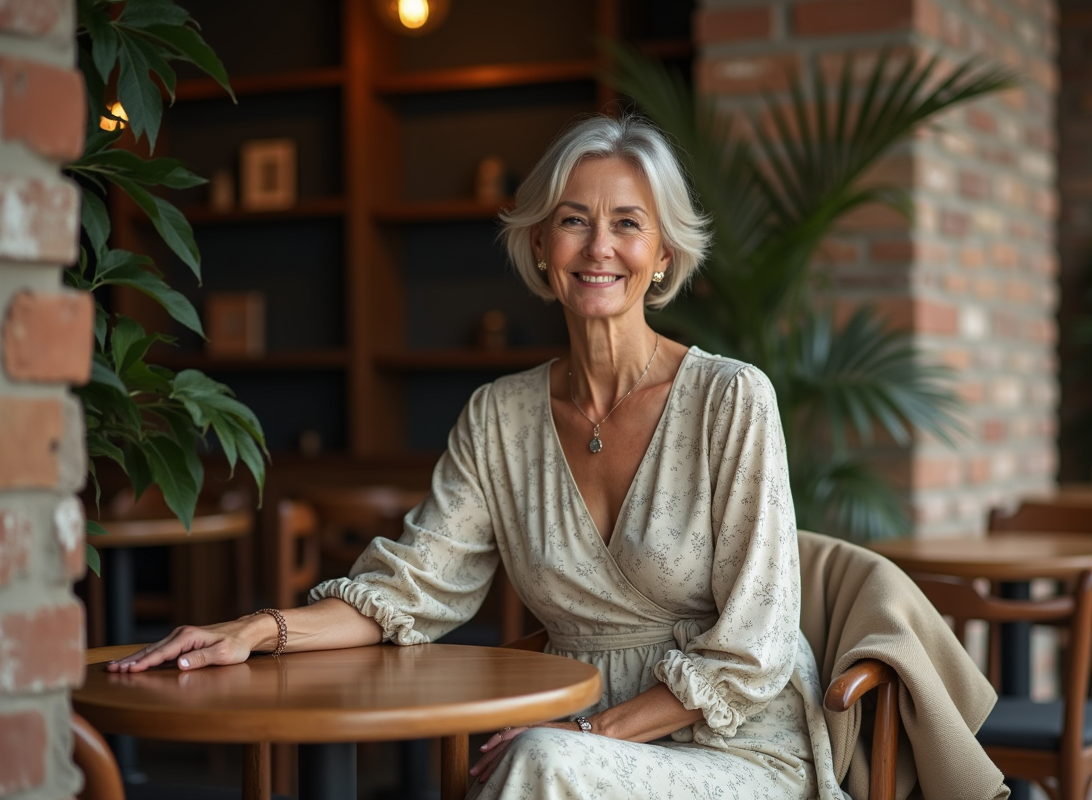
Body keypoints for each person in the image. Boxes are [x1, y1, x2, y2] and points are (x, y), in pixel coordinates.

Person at [108, 114, 849, 800]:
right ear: (539, 244)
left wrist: (587, 733)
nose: (598, 247)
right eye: (573, 221)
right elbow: (411, 589)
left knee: (535, 766)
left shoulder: (732, 399)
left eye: (628, 224)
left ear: (664, 254)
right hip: (564, 734)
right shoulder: (499, 416)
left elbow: (757, 648)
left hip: (736, 749)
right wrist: (255, 631)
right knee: (536, 764)